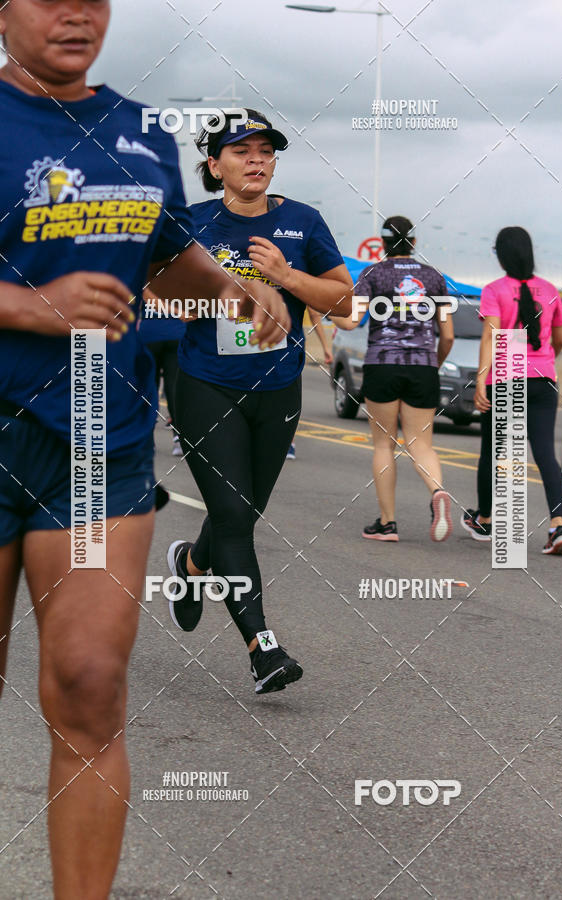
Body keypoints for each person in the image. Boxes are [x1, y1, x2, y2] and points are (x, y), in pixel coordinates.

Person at [0, 4, 289, 897]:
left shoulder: (137, 130)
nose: (75, 11)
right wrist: (27, 305)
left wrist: (235, 288)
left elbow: (161, 257)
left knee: (89, 688)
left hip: (98, 441)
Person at [167, 109, 353, 694]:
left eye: (265, 151)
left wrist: (287, 278)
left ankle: (192, 568)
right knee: (232, 518)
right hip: (204, 384)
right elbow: (159, 300)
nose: (256, 160)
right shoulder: (190, 223)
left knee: (240, 515)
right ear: (213, 164)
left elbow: (344, 303)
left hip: (278, 389)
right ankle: (263, 648)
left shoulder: (303, 222)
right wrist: (231, 290)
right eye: (240, 151)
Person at [330, 216, 454, 542]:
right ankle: (437, 491)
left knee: (384, 444)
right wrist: (432, 364)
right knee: (421, 444)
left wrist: (325, 313)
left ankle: (388, 523)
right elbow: (449, 336)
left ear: (383, 244)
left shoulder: (373, 274)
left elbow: (352, 320)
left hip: (382, 364)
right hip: (423, 366)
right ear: (414, 242)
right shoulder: (433, 277)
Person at [462, 226, 562, 555]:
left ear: (503, 255)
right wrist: (543, 365)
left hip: (506, 378)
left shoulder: (495, 290)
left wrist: (482, 380)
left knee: (492, 453)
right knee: (545, 455)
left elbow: (491, 338)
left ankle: (485, 519)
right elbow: (561, 338)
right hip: (543, 380)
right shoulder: (549, 289)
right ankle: (558, 525)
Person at [138, 299, 185, 455]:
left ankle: (147, 440)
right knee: (173, 389)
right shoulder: (182, 276)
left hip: (150, 331)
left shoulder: (147, 276)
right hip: (176, 331)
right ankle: (178, 439)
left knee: (149, 388)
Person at [286, 306, 333, 460]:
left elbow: (313, 313)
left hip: (279, 342)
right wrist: (326, 347)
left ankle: (287, 443)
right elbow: (314, 314)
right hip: (288, 342)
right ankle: (287, 444)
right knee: (287, 393)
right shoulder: (294, 281)